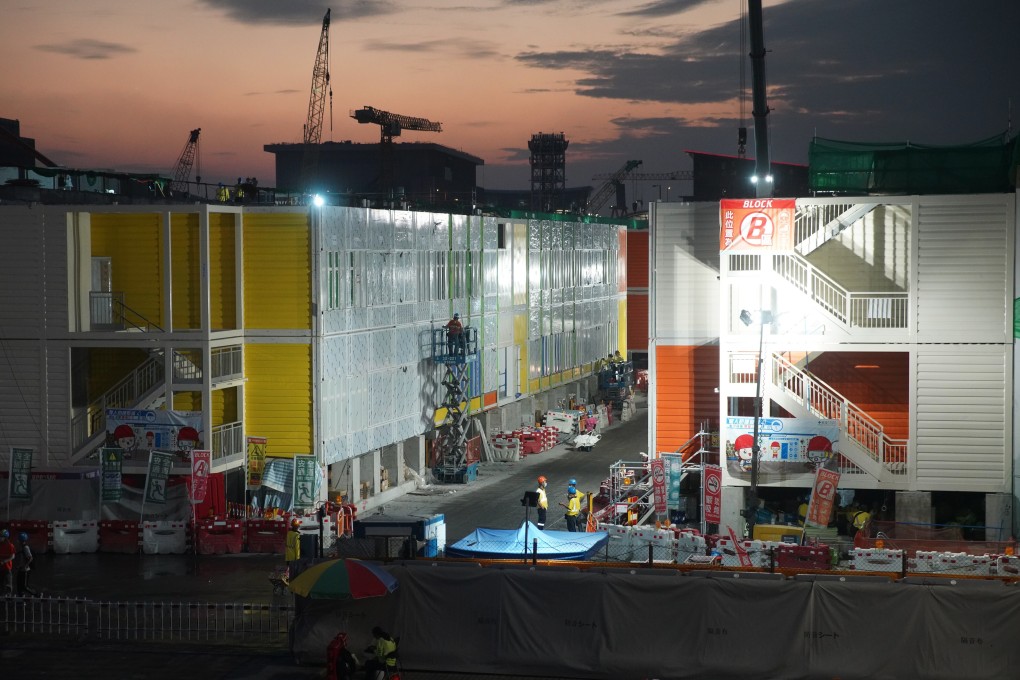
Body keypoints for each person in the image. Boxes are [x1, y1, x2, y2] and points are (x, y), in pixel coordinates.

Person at [14, 531, 35, 596]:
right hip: (20, 570)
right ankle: (21, 601)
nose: (17, 541)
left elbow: (30, 558)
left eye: (18, 539)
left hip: (25, 571)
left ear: (20, 540)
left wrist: (25, 566)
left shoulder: (26, 547)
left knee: (24, 587)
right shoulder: (21, 547)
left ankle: (37, 595)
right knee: (19, 586)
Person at [0, 529, 14, 596]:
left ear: (5, 537)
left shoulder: (10, 546)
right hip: (1, 567)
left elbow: (12, 556)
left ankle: (9, 597)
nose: (0, 538)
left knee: (8, 583)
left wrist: (5, 561)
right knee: (1, 583)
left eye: (1, 536)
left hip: (7, 568)